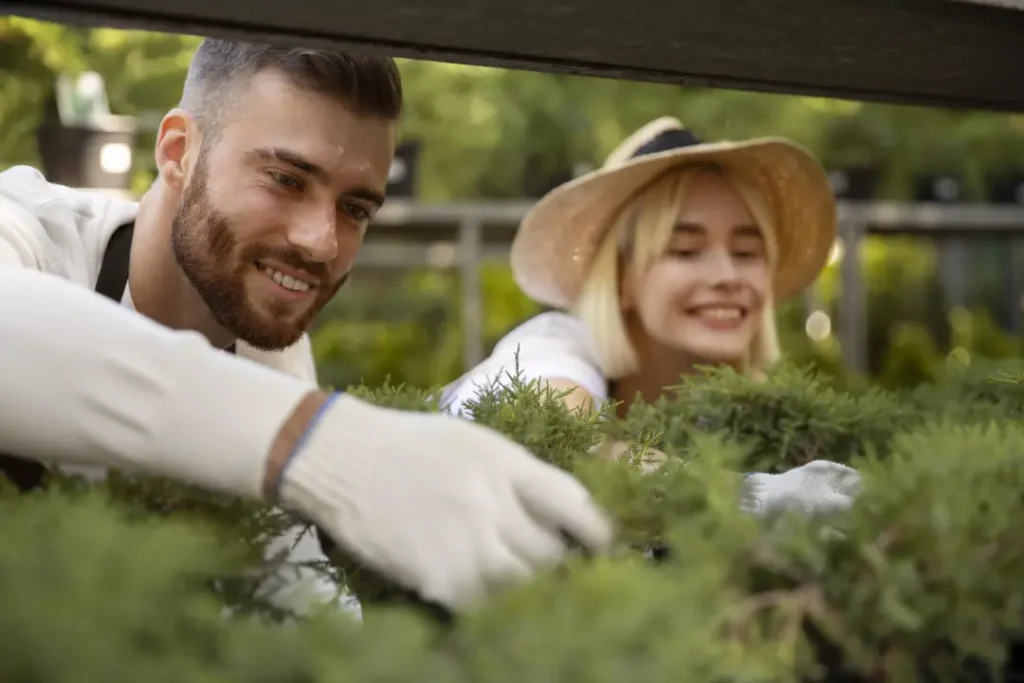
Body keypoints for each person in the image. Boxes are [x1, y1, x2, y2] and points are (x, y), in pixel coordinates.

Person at [0, 38, 613, 615]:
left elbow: (291, 591)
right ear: (177, 151)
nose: (321, 242)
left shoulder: (269, 350)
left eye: (355, 209)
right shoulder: (28, 228)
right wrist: (329, 443)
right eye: (286, 180)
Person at [442, 116, 861, 518]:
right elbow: (566, 441)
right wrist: (752, 496)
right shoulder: (551, 346)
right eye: (685, 250)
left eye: (747, 253)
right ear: (620, 278)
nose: (726, 276)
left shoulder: (724, 413)